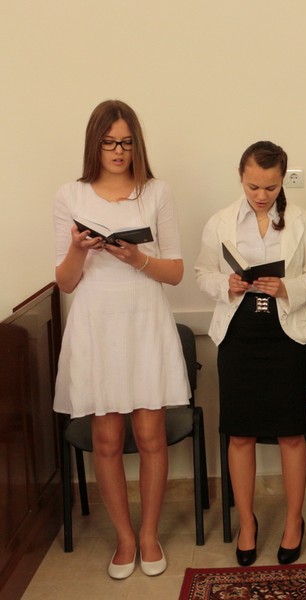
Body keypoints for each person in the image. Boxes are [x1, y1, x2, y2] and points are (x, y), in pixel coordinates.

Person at [53, 100, 190, 579]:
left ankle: (149, 535)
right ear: (95, 144)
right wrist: (78, 248)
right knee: (107, 439)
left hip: (144, 319)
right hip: (96, 322)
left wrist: (137, 258)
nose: (118, 151)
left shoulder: (156, 192)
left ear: (137, 145)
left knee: (151, 435)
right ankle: (124, 538)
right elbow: (66, 282)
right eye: (109, 142)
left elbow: (175, 272)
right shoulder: (70, 195)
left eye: (126, 143)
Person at [195, 141, 306, 566]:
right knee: (240, 433)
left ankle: (292, 521)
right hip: (239, 334)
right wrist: (226, 284)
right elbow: (202, 273)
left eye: (270, 187)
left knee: (291, 432)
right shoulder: (220, 222)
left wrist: (288, 287)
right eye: (253, 186)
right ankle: (248, 523)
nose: (261, 195)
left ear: (282, 180)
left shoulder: (302, 222)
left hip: (285, 334)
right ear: (241, 176)